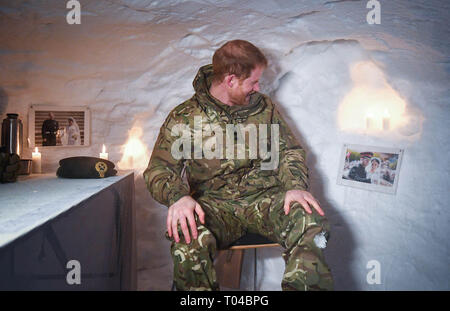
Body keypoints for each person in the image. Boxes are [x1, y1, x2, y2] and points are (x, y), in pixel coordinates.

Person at [143, 40, 333, 291]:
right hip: (214, 206)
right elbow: (159, 168)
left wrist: (295, 186)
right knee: (186, 233)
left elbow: (289, 151)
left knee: (310, 219)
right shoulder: (185, 117)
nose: (258, 87)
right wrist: (177, 197)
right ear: (230, 80)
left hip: (264, 201)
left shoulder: (264, 108)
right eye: (253, 82)